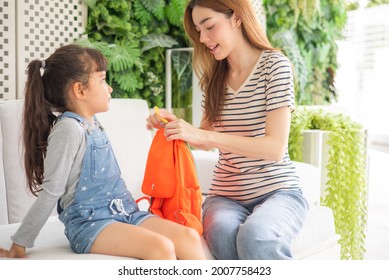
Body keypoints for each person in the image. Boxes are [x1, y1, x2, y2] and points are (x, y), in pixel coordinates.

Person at [0, 44, 206, 260]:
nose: (109, 88)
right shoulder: (68, 129)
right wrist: (20, 243)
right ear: (80, 90)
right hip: (91, 224)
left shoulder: (93, 122)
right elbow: (51, 192)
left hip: (126, 212)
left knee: (189, 237)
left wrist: (161, 125)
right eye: (102, 80)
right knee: (160, 247)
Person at [147, 0, 309, 260]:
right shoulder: (214, 79)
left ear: (237, 18)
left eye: (209, 26)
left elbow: (274, 148)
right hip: (225, 197)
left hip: (278, 191)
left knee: (256, 236)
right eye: (198, 31)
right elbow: (204, 140)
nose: (203, 38)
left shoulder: (274, 66)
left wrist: (203, 135)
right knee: (222, 233)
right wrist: (175, 126)